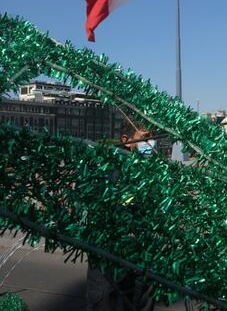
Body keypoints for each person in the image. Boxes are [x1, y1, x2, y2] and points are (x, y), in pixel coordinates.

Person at [86, 121, 156, 311]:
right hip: (109, 252)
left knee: (139, 300)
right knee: (105, 300)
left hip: (140, 254)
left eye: (153, 137)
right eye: (145, 138)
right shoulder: (109, 167)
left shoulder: (151, 171)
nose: (151, 143)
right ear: (126, 140)